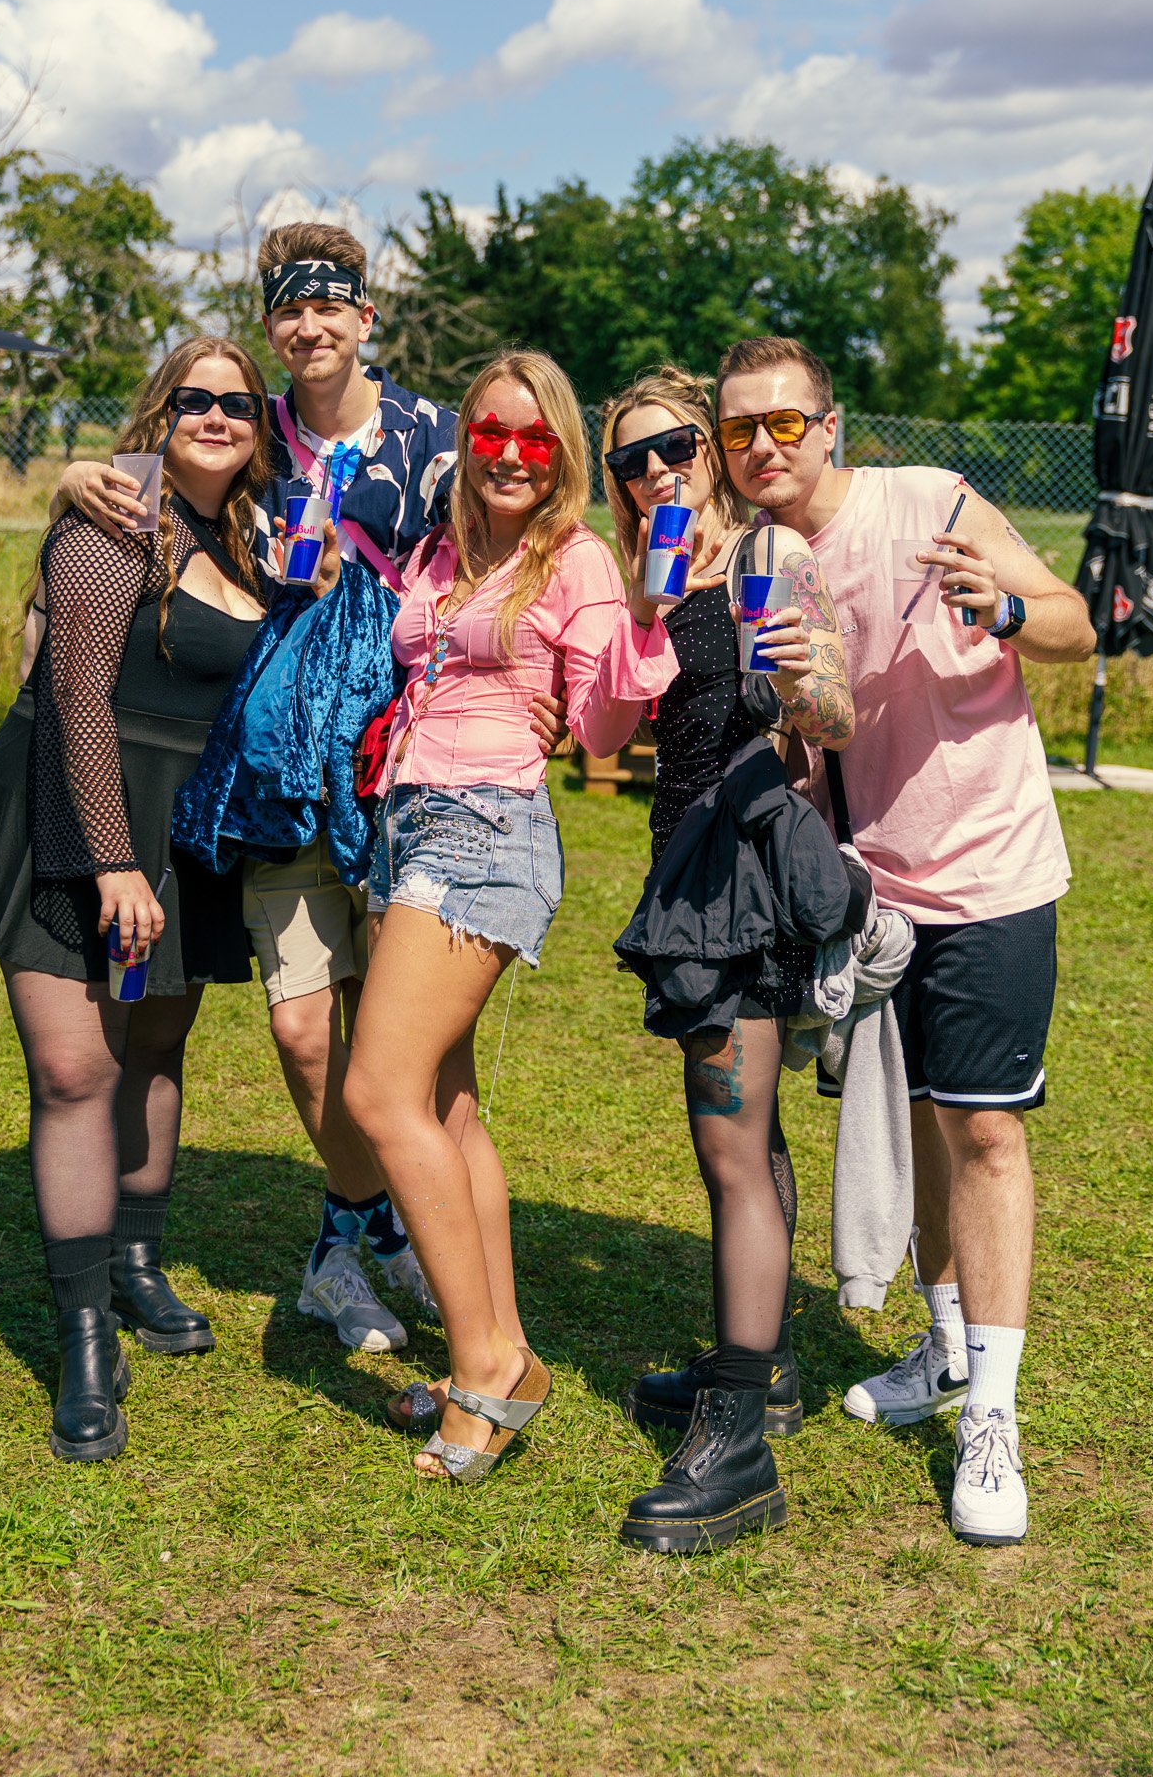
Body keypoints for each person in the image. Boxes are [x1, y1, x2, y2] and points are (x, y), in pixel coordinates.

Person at [57, 224, 561, 1355]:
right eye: (290, 309)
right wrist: (72, 470)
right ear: (273, 321)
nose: (310, 327)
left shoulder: (438, 435)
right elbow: (159, 472)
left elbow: (528, 532)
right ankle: (370, 1227)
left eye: (330, 306)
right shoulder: (252, 431)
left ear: (366, 315)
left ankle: (363, 1241)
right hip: (284, 765)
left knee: (416, 1048)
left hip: (410, 763)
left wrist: (549, 676)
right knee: (299, 1027)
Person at [714, 333, 1096, 1546]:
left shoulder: (926, 500)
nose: (764, 445)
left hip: (989, 866)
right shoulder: (751, 562)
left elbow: (1079, 625)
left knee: (984, 1124)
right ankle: (940, 1350)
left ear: (831, 425)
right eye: (741, 430)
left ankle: (993, 1414)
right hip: (871, 886)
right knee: (922, 1116)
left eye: (786, 422)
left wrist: (1014, 606)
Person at [338, 349, 679, 1485]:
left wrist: (641, 619)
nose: (513, 455)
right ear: (467, 439)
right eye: (493, 432)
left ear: (563, 455)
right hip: (410, 819)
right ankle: (511, 1357)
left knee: (379, 1092)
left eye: (538, 440)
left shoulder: (577, 558)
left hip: (483, 829)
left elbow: (602, 729)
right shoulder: (441, 550)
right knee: (447, 1101)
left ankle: (482, 1365)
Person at [0, 339, 272, 1462]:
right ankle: (86, 1334)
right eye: (196, 398)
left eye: (239, 401)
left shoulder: (259, 530)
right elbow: (77, 692)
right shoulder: (112, 516)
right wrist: (111, 861)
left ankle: (138, 1257)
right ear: (160, 408)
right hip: (71, 804)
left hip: (187, 820)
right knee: (76, 1065)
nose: (217, 415)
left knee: (155, 1045)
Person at [599, 368, 863, 1552]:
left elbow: (838, 712)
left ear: (709, 449)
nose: (657, 470)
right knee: (751, 1136)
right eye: (630, 459)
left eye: (674, 447)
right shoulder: (652, 581)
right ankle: (771, 1363)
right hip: (689, 867)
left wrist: (803, 679)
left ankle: (738, 1438)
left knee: (730, 1146)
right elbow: (605, 732)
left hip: (742, 883)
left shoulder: (768, 557)